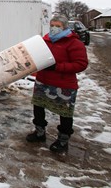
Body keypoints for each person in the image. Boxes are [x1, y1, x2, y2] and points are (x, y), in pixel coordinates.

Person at [26, 15, 88, 153]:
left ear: (65, 27)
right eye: (52, 25)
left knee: (65, 113)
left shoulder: (74, 43)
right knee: (38, 108)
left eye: (58, 25)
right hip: (43, 81)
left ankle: (63, 140)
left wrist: (57, 67)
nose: (54, 28)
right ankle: (39, 133)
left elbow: (81, 64)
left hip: (64, 84)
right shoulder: (45, 40)